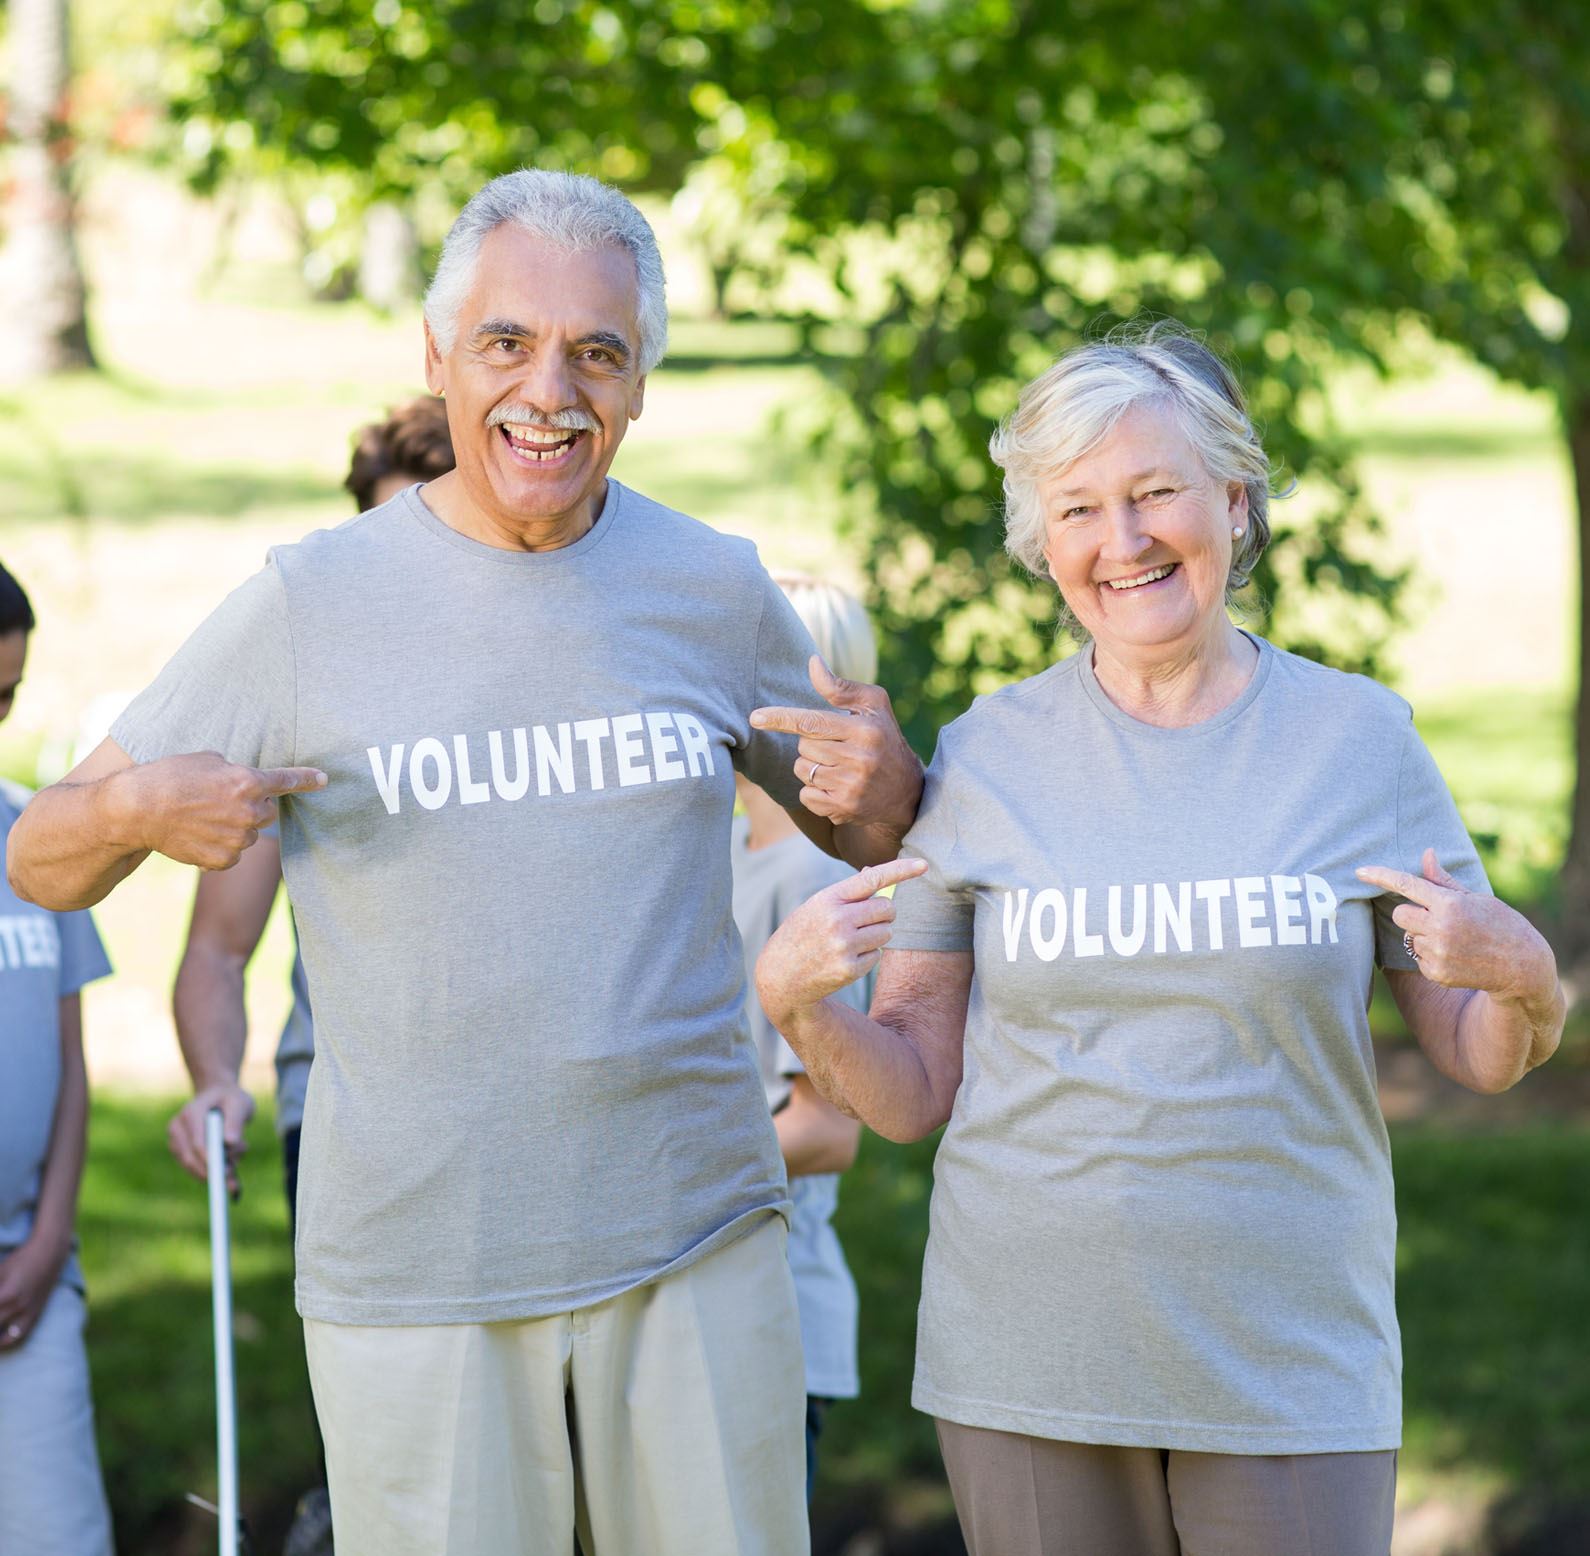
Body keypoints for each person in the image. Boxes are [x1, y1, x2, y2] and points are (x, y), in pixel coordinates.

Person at [6, 169, 922, 1556]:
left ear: (638, 385)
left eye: (596, 352)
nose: (549, 388)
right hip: (417, 1272)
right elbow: (39, 859)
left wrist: (889, 781)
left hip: (694, 1237)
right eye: (505, 342)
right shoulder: (307, 606)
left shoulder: (710, 585)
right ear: (437, 360)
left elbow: (860, 821)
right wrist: (138, 810)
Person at [754, 322, 1565, 1556]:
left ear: (1235, 504)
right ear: (1043, 544)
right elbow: (913, 1087)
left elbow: (1473, 1043)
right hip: (1031, 1365)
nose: (1121, 541)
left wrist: (1527, 982)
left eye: (1155, 493)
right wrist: (809, 1008)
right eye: (1078, 507)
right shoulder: (984, 754)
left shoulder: (1359, 741)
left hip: (1292, 1369)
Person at [162, 394, 454, 1556]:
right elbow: (216, 948)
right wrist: (216, 1075)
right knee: (391, 1437)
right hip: (337, 1109)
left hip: (527, 1110)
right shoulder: (306, 703)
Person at [732, 573, 873, 1500]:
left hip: (771, 1323)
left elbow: (828, 1132)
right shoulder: (717, 858)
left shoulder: (809, 883)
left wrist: (641, 1166)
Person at [0, 562, 116, 1556]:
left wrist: (47, 1240)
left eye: (4, 699)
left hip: (27, 1281)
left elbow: (72, 1067)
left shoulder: (36, 835)